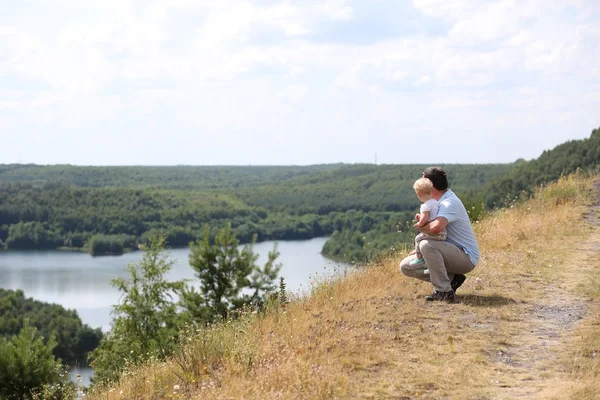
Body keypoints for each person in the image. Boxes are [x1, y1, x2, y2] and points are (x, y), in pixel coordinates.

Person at [400, 167, 480, 303]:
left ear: (430, 185)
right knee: (406, 266)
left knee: (426, 245)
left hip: (465, 257)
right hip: (448, 251)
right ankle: (452, 279)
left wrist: (421, 227)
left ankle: (444, 292)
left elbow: (436, 228)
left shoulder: (449, 203)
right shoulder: (436, 203)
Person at [410, 178, 447, 270]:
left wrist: (419, 224)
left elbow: (425, 217)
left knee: (418, 238)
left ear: (419, 195)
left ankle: (420, 258)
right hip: (443, 232)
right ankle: (430, 264)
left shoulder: (425, 205)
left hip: (435, 233)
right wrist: (421, 216)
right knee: (429, 245)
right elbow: (431, 215)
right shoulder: (436, 202)